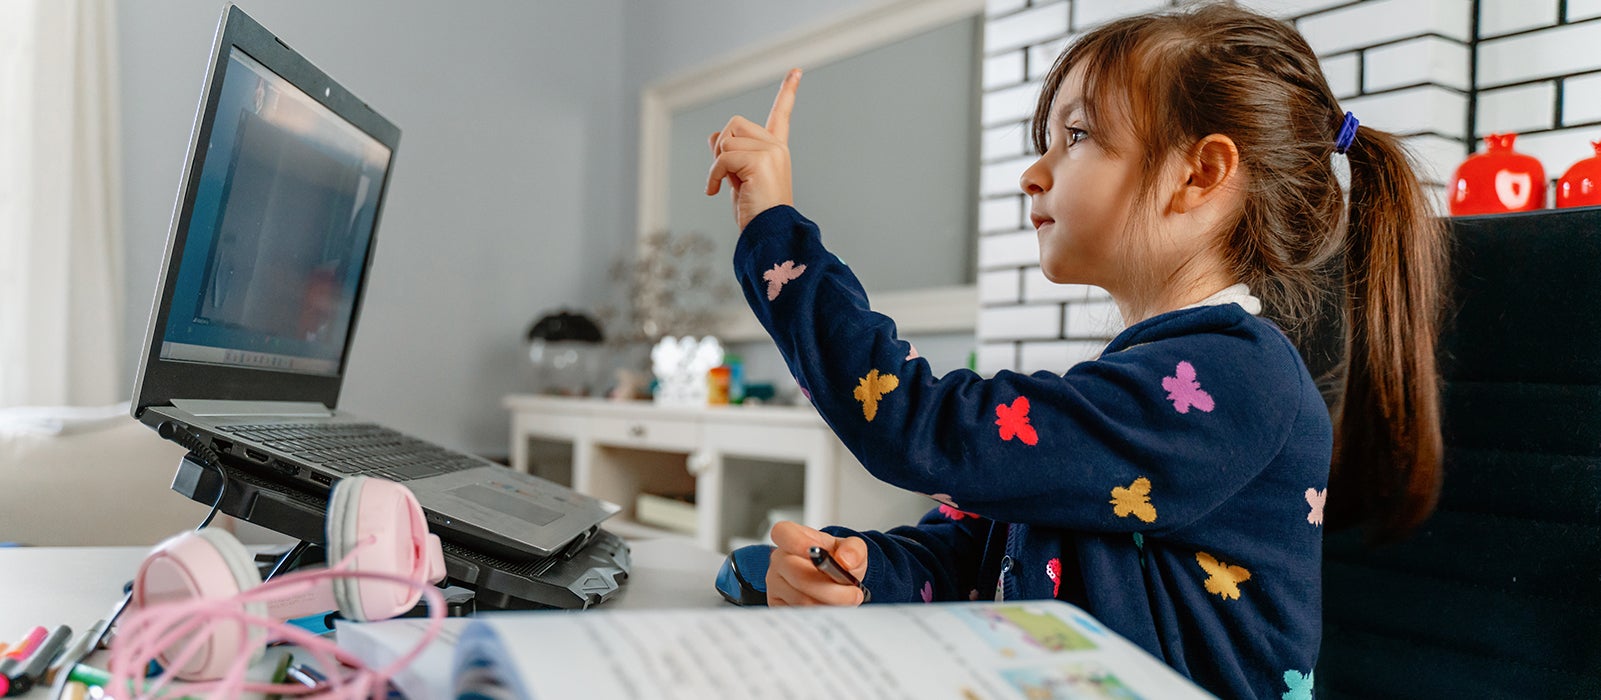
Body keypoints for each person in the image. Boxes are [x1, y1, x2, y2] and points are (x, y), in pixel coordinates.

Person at [704, 3, 1447, 697]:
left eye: (1078, 136)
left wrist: (773, 226)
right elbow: (978, 552)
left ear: (1199, 174)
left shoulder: (1236, 381)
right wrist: (870, 571)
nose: (1034, 171)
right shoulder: (1139, 388)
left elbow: (920, 426)